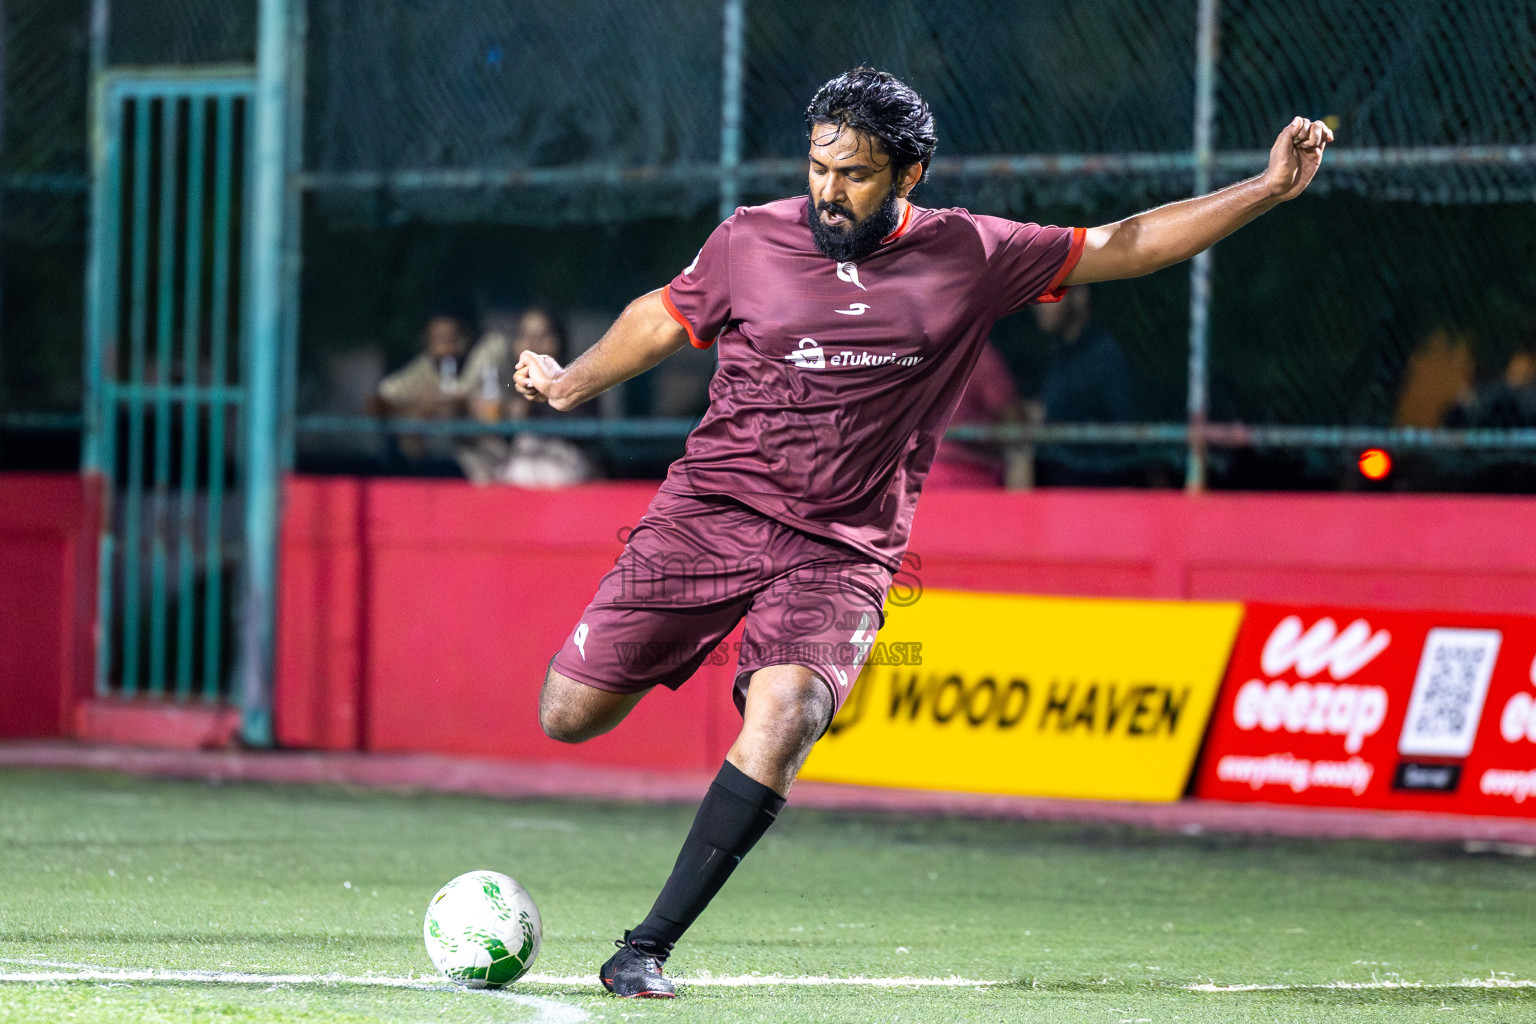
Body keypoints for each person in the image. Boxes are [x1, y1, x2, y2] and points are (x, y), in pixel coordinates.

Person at [513, 68, 1332, 997]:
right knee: (568, 714)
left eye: (855, 174)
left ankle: (645, 948)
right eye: (818, 167)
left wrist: (1266, 189)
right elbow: (663, 318)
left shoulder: (970, 253)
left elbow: (1126, 244)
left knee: (788, 715)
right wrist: (570, 384)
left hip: (841, 549)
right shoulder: (748, 238)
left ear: (908, 175)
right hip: (711, 513)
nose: (828, 191)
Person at [1031, 284, 1143, 485]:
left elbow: (1127, 439)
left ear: (1080, 296)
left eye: (1049, 295)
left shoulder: (1105, 356)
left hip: (1098, 491)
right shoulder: (1058, 353)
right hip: (1061, 489)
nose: (1038, 304)